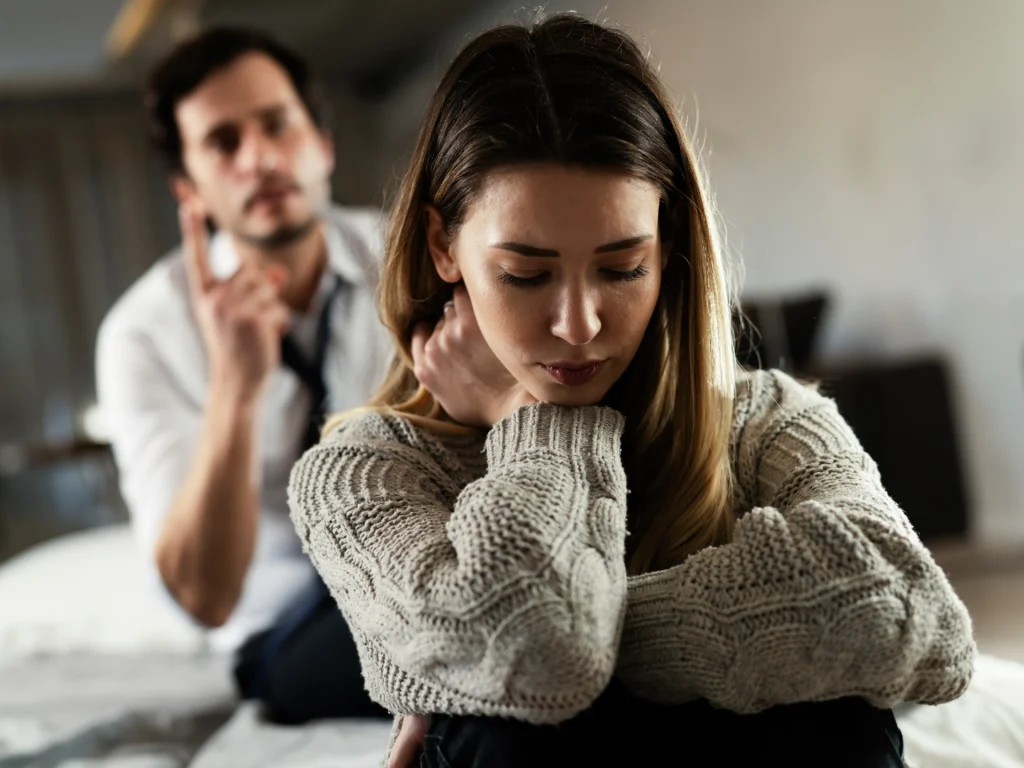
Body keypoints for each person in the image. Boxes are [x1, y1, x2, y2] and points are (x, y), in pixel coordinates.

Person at [287, 13, 976, 766]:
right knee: (507, 728)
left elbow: (918, 618)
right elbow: (540, 660)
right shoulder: (360, 473)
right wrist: (532, 420)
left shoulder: (766, 421)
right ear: (442, 245)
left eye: (622, 268)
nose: (579, 325)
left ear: (667, 245)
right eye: (525, 274)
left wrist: (582, 623)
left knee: (837, 716)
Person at [96, 27, 392, 724]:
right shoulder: (142, 336)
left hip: (421, 575)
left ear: (322, 145)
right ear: (188, 190)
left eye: (277, 124)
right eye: (223, 143)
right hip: (284, 628)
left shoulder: (412, 262)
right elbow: (205, 596)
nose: (260, 159)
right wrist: (235, 385)